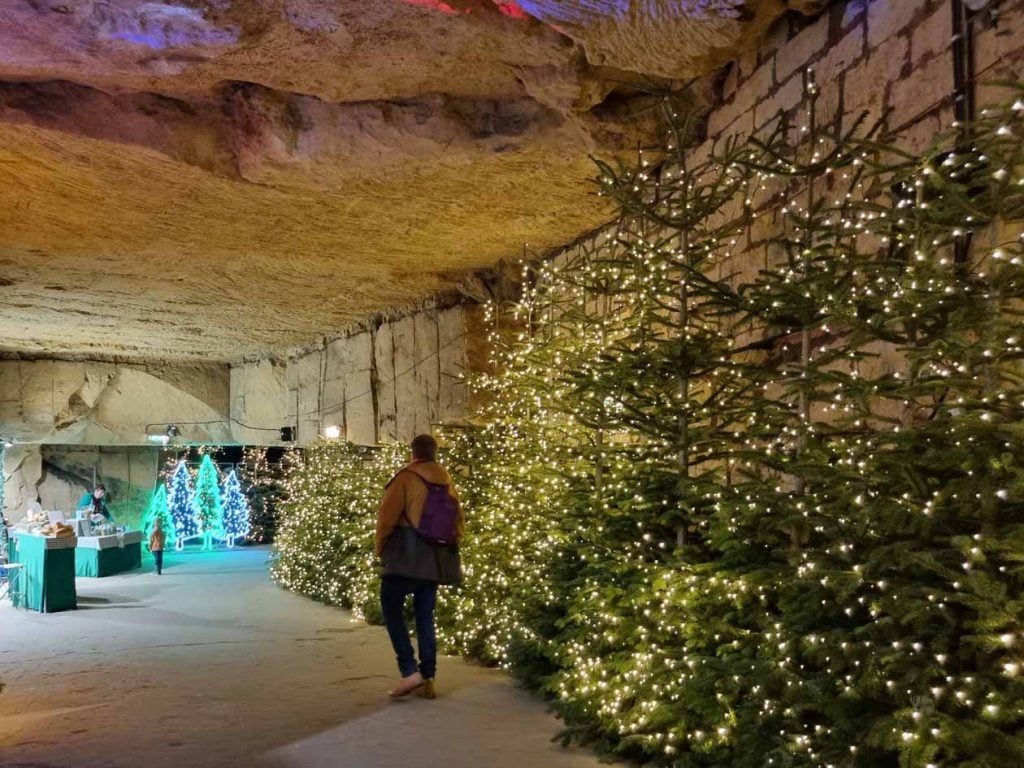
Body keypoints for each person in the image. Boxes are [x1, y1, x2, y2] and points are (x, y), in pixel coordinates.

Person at [376, 434, 463, 700]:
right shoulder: (447, 480)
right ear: (435, 453)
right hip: (435, 561)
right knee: (425, 617)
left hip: (406, 558)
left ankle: (409, 670)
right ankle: (428, 678)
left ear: (413, 453)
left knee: (391, 607)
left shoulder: (405, 477)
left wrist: (380, 549)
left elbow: (386, 518)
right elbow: (459, 522)